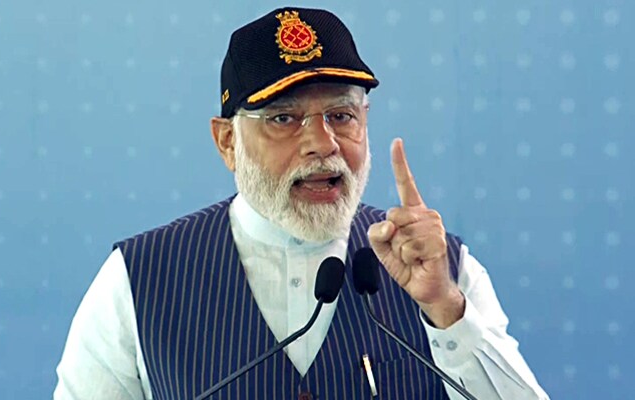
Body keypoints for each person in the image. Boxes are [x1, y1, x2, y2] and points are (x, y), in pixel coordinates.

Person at [54, 7, 550, 400]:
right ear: (227, 141)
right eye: (284, 119)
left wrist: (445, 309)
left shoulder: (443, 269)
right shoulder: (140, 277)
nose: (322, 143)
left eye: (342, 115)